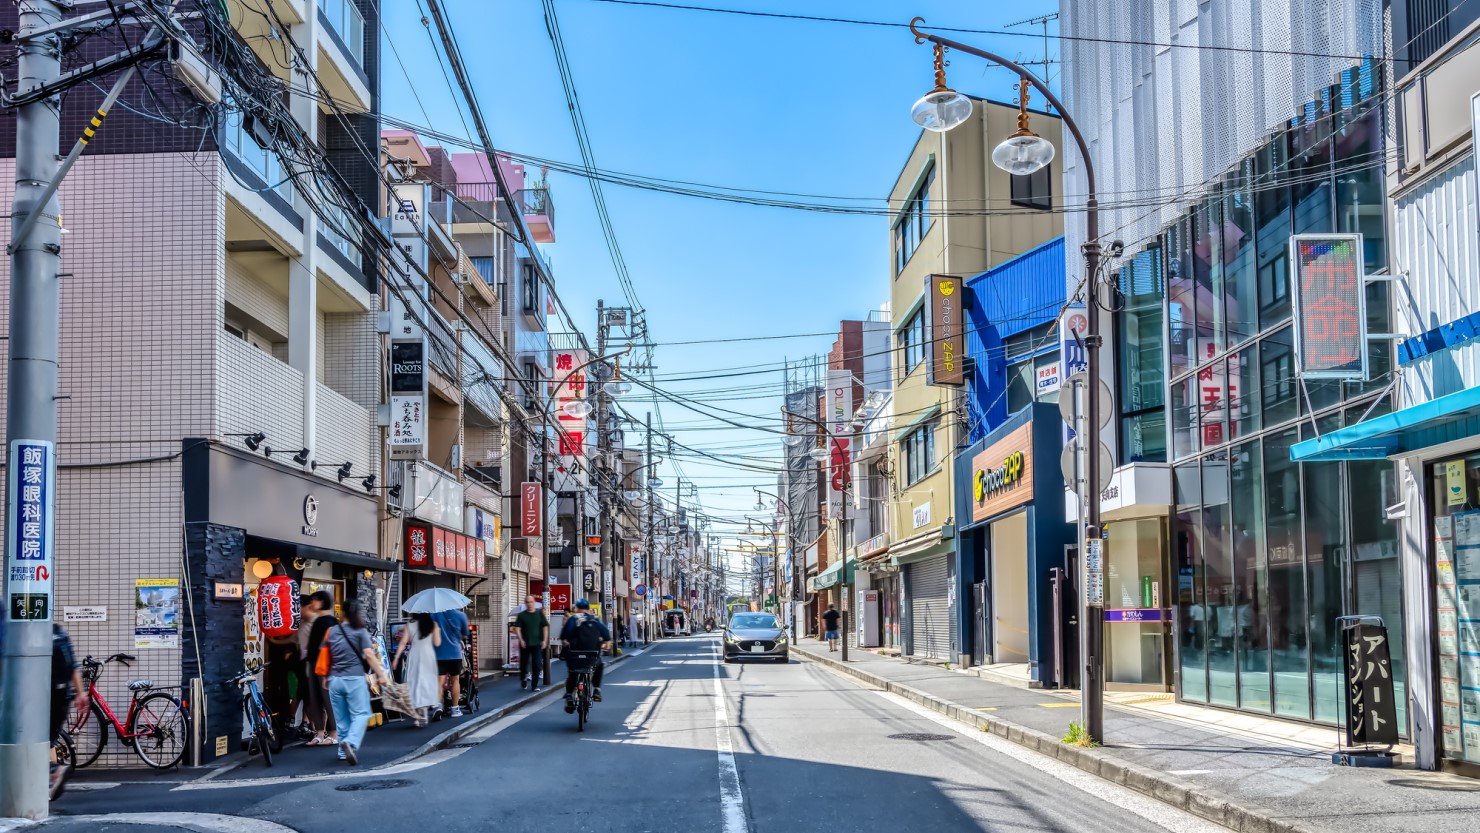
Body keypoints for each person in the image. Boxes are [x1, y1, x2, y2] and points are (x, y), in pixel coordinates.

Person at [324, 599, 389, 766]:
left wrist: (325, 677)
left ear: (342, 613)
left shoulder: (332, 631)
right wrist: (381, 675)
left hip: (334, 680)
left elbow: (326, 655)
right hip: (353, 679)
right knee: (361, 714)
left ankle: (341, 751)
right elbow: (368, 655)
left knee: (341, 718)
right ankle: (351, 742)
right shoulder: (360, 632)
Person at [50, 623, 88, 796]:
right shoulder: (59, 632)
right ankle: (53, 775)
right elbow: (73, 666)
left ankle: (52, 771)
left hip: (40, 696)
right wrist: (81, 694)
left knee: (34, 737)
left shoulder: (24, 634)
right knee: (48, 739)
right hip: (63, 695)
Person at [302, 591, 338, 746]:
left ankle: (334, 734)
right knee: (315, 700)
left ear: (322, 602)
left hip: (326, 667)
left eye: (314, 600)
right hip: (314, 665)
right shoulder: (318, 621)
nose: (312, 603)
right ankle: (319, 734)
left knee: (328, 700)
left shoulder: (330, 622)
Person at [392, 612, 441, 727]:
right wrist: (437, 631)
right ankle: (424, 709)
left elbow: (403, 642)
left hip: (415, 655)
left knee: (415, 683)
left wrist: (396, 658)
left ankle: (418, 714)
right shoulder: (433, 624)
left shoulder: (410, 624)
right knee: (427, 682)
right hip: (428, 655)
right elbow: (437, 643)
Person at [561, 599, 610, 712]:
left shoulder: (573, 618)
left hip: (575, 656)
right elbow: (606, 635)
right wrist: (605, 644)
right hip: (592, 656)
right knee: (599, 666)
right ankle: (597, 689)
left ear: (576, 608)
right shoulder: (595, 619)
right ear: (588, 609)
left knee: (572, 672)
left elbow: (565, 634)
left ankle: (569, 695)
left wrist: (566, 641)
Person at [431, 605, 470, 718]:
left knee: (439, 681)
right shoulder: (461, 615)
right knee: (455, 680)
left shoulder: (434, 615)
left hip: (439, 653)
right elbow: (465, 633)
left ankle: (438, 706)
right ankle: (455, 709)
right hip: (455, 653)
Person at [513, 595, 550, 691]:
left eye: (531, 602)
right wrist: (521, 639)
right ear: (525, 603)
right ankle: (523, 678)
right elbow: (517, 628)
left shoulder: (539, 614)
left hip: (537, 643)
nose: (529, 604)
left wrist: (545, 640)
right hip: (525, 644)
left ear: (534, 603)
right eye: (527, 602)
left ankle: (534, 686)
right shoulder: (522, 615)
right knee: (524, 664)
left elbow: (545, 626)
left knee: (537, 664)